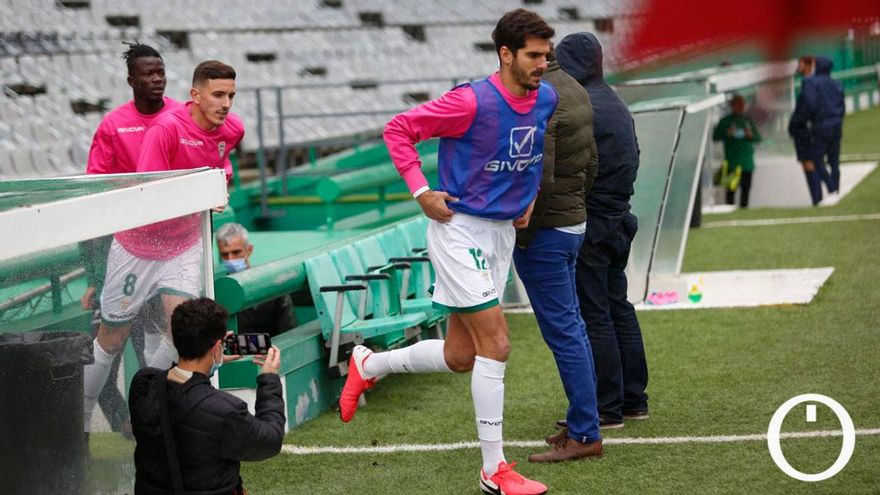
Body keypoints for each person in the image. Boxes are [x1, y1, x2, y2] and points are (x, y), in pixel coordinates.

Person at [344, 9, 557, 494]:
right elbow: (398, 129)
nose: (543, 64)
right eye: (533, 55)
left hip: (500, 233)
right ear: (505, 54)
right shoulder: (470, 101)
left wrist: (528, 199)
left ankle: (368, 365)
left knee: (463, 355)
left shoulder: (545, 98)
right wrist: (421, 191)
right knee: (497, 344)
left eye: (547, 55)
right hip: (458, 230)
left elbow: (533, 150)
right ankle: (493, 471)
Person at [82, 60, 244, 436]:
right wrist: (201, 192)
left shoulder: (232, 129)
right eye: (218, 95)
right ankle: (77, 420)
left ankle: (146, 405)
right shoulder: (165, 130)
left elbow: (222, 165)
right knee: (111, 338)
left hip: (183, 246)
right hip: (137, 246)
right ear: (195, 95)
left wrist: (220, 187)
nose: (226, 104)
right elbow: (152, 195)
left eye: (231, 96)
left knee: (181, 333)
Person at [80, 42, 183, 435]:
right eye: (148, 73)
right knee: (111, 339)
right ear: (131, 79)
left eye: (160, 71)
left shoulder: (182, 116)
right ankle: (83, 426)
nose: (156, 79)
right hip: (123, 252)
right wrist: (94, 272)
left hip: (174, 248)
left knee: (166, 335)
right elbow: (95, 198)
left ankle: (155, 420)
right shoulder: (112, 126)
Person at [511, 45, 603, 463]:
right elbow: (592, 163)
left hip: (548, 229)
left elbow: (540, 175)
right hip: (573, 221)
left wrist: (526, 228)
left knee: (564, 333)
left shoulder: (544, 94)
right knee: (574, 328)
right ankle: (581, 420)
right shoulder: (576, 87)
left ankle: (585, 433)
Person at [557, 32, 650, 430]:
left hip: (594, 224)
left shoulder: (586, 107)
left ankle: (607, 407)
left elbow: (579, 170)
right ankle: (633, 400)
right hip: (618, 219)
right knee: (618, 309)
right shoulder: (614, 101)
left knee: (595, 316)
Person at [129, 298, 284, 494]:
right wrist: (269, 378)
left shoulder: (143, 384)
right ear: (217, 348)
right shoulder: (226, 410)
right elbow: (271, 440)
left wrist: (212, 361)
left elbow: (179, 388)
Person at [215, 222, 296, 336]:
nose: (231, 259)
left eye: (236, 252)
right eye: (224, 254)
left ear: (249, 250)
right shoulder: (217, 289)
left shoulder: (271, 285)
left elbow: (288, 329)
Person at [788, 55, 845, 205]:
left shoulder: (811, 83)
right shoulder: (836, 83)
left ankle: (831, 187)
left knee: (816, 159)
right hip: (837, 124)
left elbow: (809, 103)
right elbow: (842, 104)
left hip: (820, 125)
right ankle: (836, 190)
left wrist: (806, 120)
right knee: (834, 160)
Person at [712, 94, 762, 208]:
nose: (739, 107)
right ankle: (730, 209)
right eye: (736, 105)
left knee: (746, 189)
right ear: (731, 106)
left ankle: (744, 210)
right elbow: (715, 136)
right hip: (732, 162)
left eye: (741, 105)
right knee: (731, 190)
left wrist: (750, 135)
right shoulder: (725, 121)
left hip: (747, 163)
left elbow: (758, 138)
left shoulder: (747, 120)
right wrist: (726, 133)